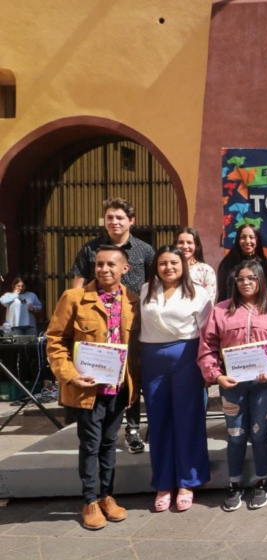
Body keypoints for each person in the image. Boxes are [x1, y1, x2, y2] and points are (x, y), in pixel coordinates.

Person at [45, 245, 140, 530]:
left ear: (125, 268)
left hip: (118, 388)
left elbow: (135, 350)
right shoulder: (74, 298)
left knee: (110, 443)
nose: (104, 269)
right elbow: (55, 340)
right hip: (87, 389)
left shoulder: (133, 302)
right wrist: (70, 375)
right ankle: (89, 500)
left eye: (111, 264)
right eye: (99, 264)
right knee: (90, 444)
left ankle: (107, 496)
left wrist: (137, 385)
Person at [198, 260, 267, 512]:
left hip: (265, 385)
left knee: (260, 431)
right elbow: (207, 347)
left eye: (251, 278)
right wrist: (216, 376)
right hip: (231, 385)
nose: (245, 282)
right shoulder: (220, 311)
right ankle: (234, 484)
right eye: (241, 278)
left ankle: (261, 481)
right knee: (235, 434)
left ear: (261, 281)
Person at [69, 197, 154, 455]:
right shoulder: (90, 248)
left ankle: (132, 429)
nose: (114, 222)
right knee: (99, 375)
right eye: (109, 217)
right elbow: (78, 285)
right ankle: (99, 429)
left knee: (132, 376)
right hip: (98, 323)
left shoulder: (144, 250)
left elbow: (154, 287)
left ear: (131, 221)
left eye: (119, 217)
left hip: (133, 323)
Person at [139, 245, 213, 512]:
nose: (168, 268)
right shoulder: (146, 290)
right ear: (155, 266)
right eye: (162, 263)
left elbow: (207, 332)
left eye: (173, 263)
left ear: (183, 265)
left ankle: (187, 481)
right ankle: (163, 482)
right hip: (152, 357)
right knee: (158, 420)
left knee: (188, 418)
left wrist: (207, 367)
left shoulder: (199, 293)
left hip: (186, 356)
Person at [216, 224, 267, 303]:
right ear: (238, 240)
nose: (247, 241)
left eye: (251, 237)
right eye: (243, 237)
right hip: (231, 310)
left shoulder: (264, 265)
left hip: (257, 311)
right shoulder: (228, 263)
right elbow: (222, 293)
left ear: (257, 240)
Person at [176, 227, 217, 301]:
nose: (185, 246)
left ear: (196, 246)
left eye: (189, 242)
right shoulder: (171, 269)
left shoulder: (206, 270)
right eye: (181, 242)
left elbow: (210, 300)